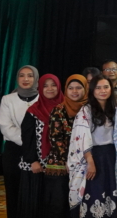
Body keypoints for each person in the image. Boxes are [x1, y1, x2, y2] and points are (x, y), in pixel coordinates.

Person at [37, 73, 88, 218]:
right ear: (65, 90)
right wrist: (70, 161)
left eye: (79, 87)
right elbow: (56, 138)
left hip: (85, 162)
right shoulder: (58, 110)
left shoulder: (89, 109)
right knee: (59, 205)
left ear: (86, 89)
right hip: (61, 163)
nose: (75, 91)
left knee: (81, 202)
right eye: (71, 88)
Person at [68, 77, 117, 218]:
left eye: (106, 87)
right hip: (93, 157)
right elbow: (81, 139)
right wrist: (90, 161)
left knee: (112, 193)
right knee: (95, 194)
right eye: (98, 88)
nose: (103, 91)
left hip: (112, 156)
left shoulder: (115, 108)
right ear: (92, 90)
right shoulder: (86, 111)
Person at [19, 73, 62, 218]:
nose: (50, 88)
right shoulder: (33, 111)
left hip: (58, 165)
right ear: (39, 88)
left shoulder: (66, 109)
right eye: (45, 85)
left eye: (53, 85)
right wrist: (33, 160)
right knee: (36, 203)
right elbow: (27, 138)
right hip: (37, 165)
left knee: (56, 203)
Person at [0, 64, 39, 216]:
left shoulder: (43, 98)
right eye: (22, 75)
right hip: (14, 151)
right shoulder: (8, 99)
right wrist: (29, 143)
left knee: (35, 189)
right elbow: (6, 127)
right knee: (14, 189)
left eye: (30, 75)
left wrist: (35, 145)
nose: (26, 79)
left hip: (39, 151)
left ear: (36, 78)